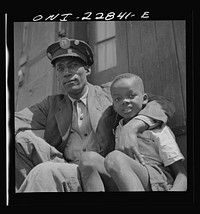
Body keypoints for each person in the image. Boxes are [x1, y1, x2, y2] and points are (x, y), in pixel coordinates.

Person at [15, 37, 175, 192]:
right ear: (57, 75)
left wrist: (133, 126)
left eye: (72, 65)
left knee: (43, 172)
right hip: (67, 166)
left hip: (101, 170)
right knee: (19, 140)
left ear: (87, 70)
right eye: (60, 68)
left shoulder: (110, 92)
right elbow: (15, 120)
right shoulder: (51, 104)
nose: (66, 73)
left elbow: (162, 103)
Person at [78, 73, 187, 191]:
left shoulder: (157, 129)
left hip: (157, 180)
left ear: (145, 99)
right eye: (117, 99)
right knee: (88, 159)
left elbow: (181, 173)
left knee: (115, 157)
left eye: (131, 95)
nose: (124, 101)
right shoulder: (117, 129)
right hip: (125, 178)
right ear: (113, 106)